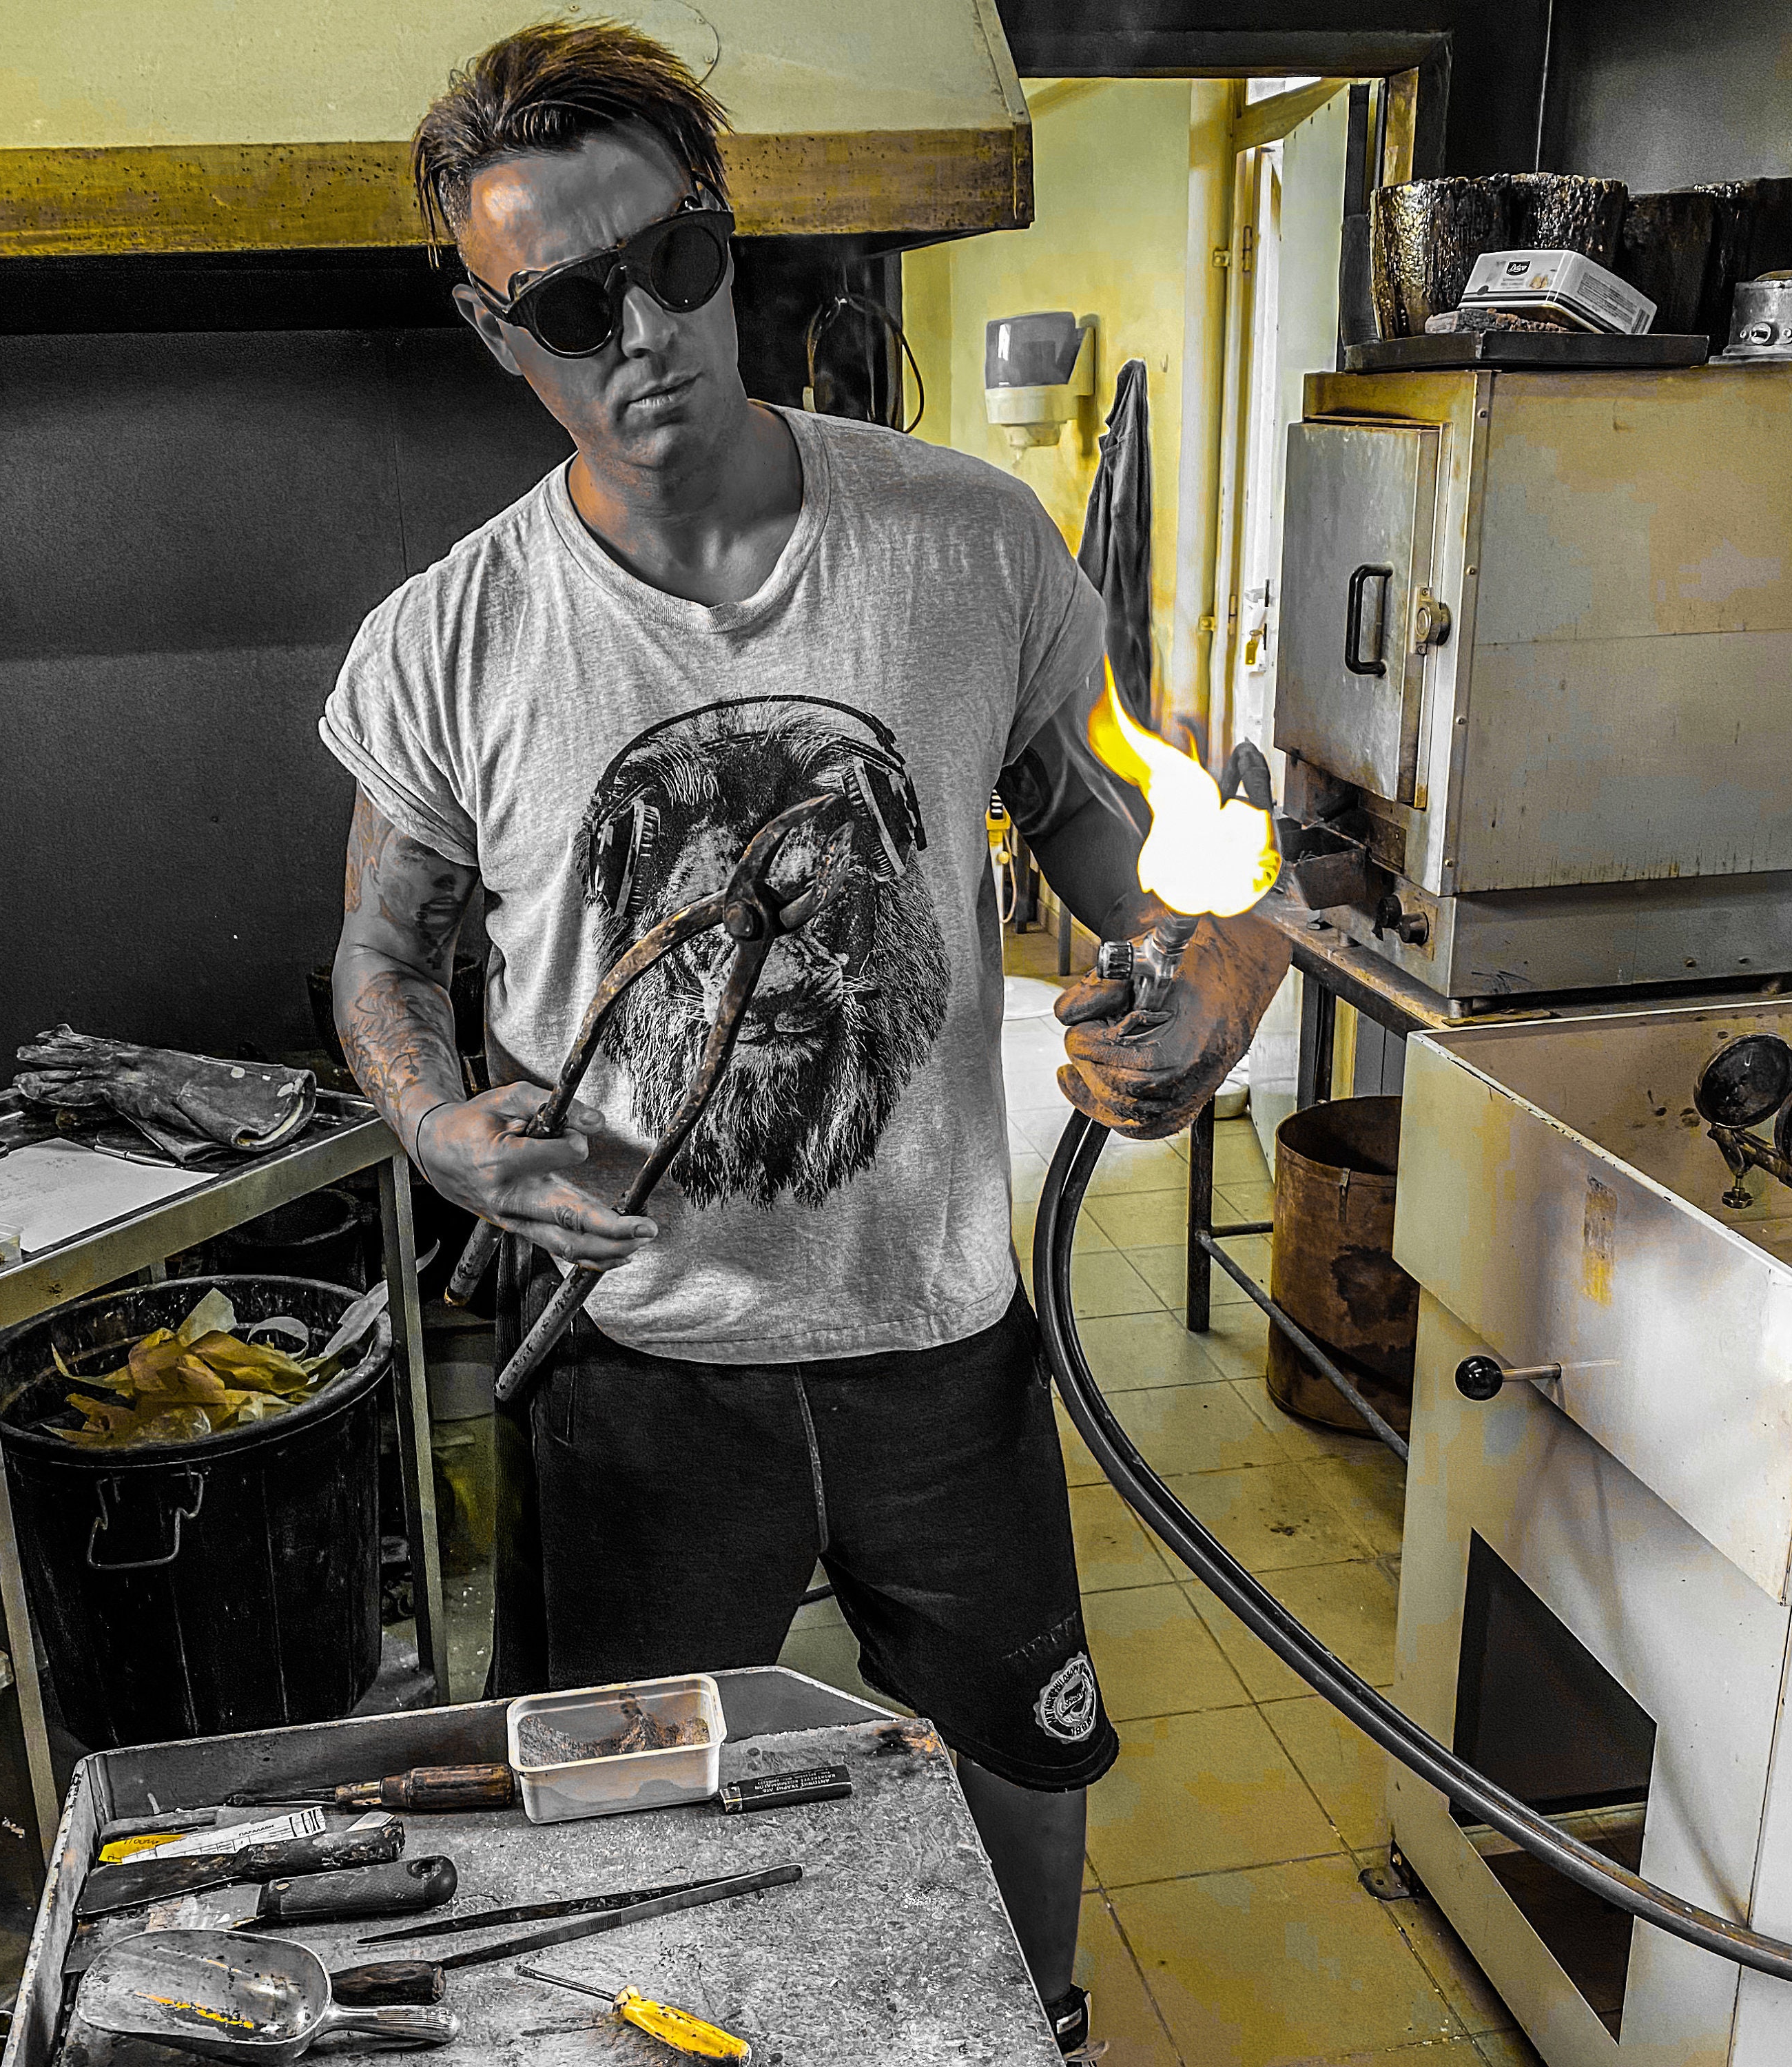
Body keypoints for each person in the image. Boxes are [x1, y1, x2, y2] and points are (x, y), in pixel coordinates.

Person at [325, 23, 1287, 2057]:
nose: (643, 336)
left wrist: (1211, 971)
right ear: (499, 336)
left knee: (1024, 1758)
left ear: (725, 241)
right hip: (642, 1363)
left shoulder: (968, 542)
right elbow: (382, 964)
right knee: (623, 1819)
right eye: (569, 309)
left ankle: (1039, 2030)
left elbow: (1124, 840)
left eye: (672, 264)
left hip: (938, 1330)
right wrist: (434, 1127)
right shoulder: (449, 640)